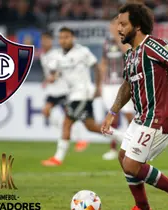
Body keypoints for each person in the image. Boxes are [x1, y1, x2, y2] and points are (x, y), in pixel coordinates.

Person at [101, 3, 168, 210]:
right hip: (143, 116)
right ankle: (142, 206)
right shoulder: (130, 55)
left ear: (137, 26)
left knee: (132, 164)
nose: (118, 28)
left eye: (123, 24)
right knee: (123, 158)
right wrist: (112, 112)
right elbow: (128, 86)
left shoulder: (152, 45)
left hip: (161, 116)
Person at [42, 27, 123, 166]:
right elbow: (56, 73)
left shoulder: (82, 51)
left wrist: (98, 87)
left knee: (66, 122)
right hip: (72, 94)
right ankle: (125, 138)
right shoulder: (58, 56)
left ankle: (58, 158)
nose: (63, 40)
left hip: (82, 94)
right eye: (61, 37)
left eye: (66, 37)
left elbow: (96, 67)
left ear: (73, 38)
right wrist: (51, 78)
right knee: (91, 126)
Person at [40, 31, 88, 152]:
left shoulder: (56, 54)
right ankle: (64, 133)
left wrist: (54, 77)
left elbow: (60, 69)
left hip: (63, 90)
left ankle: (80, 139)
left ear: (51, 41)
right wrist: (46, 80)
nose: (44, 43)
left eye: (47, 40)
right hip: (52, 91)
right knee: (46, 112)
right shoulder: (43, 55)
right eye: (43, 40)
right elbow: (48, 72)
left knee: (70, 116)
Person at [100, 19, 135, 160]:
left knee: (128, 115)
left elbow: (128, 53)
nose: (112, 27)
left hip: (123, 84)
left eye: (115, 25)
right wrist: (100, 83)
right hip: (108, 84)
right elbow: (103, 63)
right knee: (112, 116)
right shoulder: (106, 42)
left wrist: (117, 37)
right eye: (111, 25)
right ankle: (114, 149)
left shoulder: (126, 41)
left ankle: (134, 144)